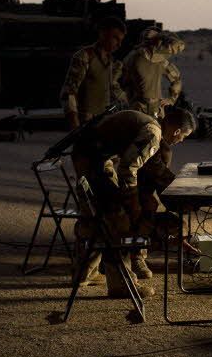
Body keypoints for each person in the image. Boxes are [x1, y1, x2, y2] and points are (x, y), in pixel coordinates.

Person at [69, 106, 195, 297]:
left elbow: (149, 167)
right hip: (93, 160)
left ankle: (84, 273)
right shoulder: (153, 133)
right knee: (118, 220)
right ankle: (121, 284)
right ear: (177, 131)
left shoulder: (152, 126)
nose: (181, 140)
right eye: (184, 136)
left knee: (98, 217)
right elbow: (128, 169)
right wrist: (132, 202)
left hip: (93, 156)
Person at [59, 15, 128, 129]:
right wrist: (75, 124)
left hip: (105, 121)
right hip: (86, 123)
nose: (119, 45)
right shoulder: (85, 56)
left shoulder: (110, 61)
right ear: (103, 33)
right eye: (115, 38)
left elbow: (111, 87)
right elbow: (69, 93)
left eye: (121, 40)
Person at [120, 27, 185, 119]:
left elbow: (176, 79)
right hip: (137, 108)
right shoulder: (133, 57)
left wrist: (171, 99)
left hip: (155, 110)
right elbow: (119, 81)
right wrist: (124, 98)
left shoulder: (160, 60)